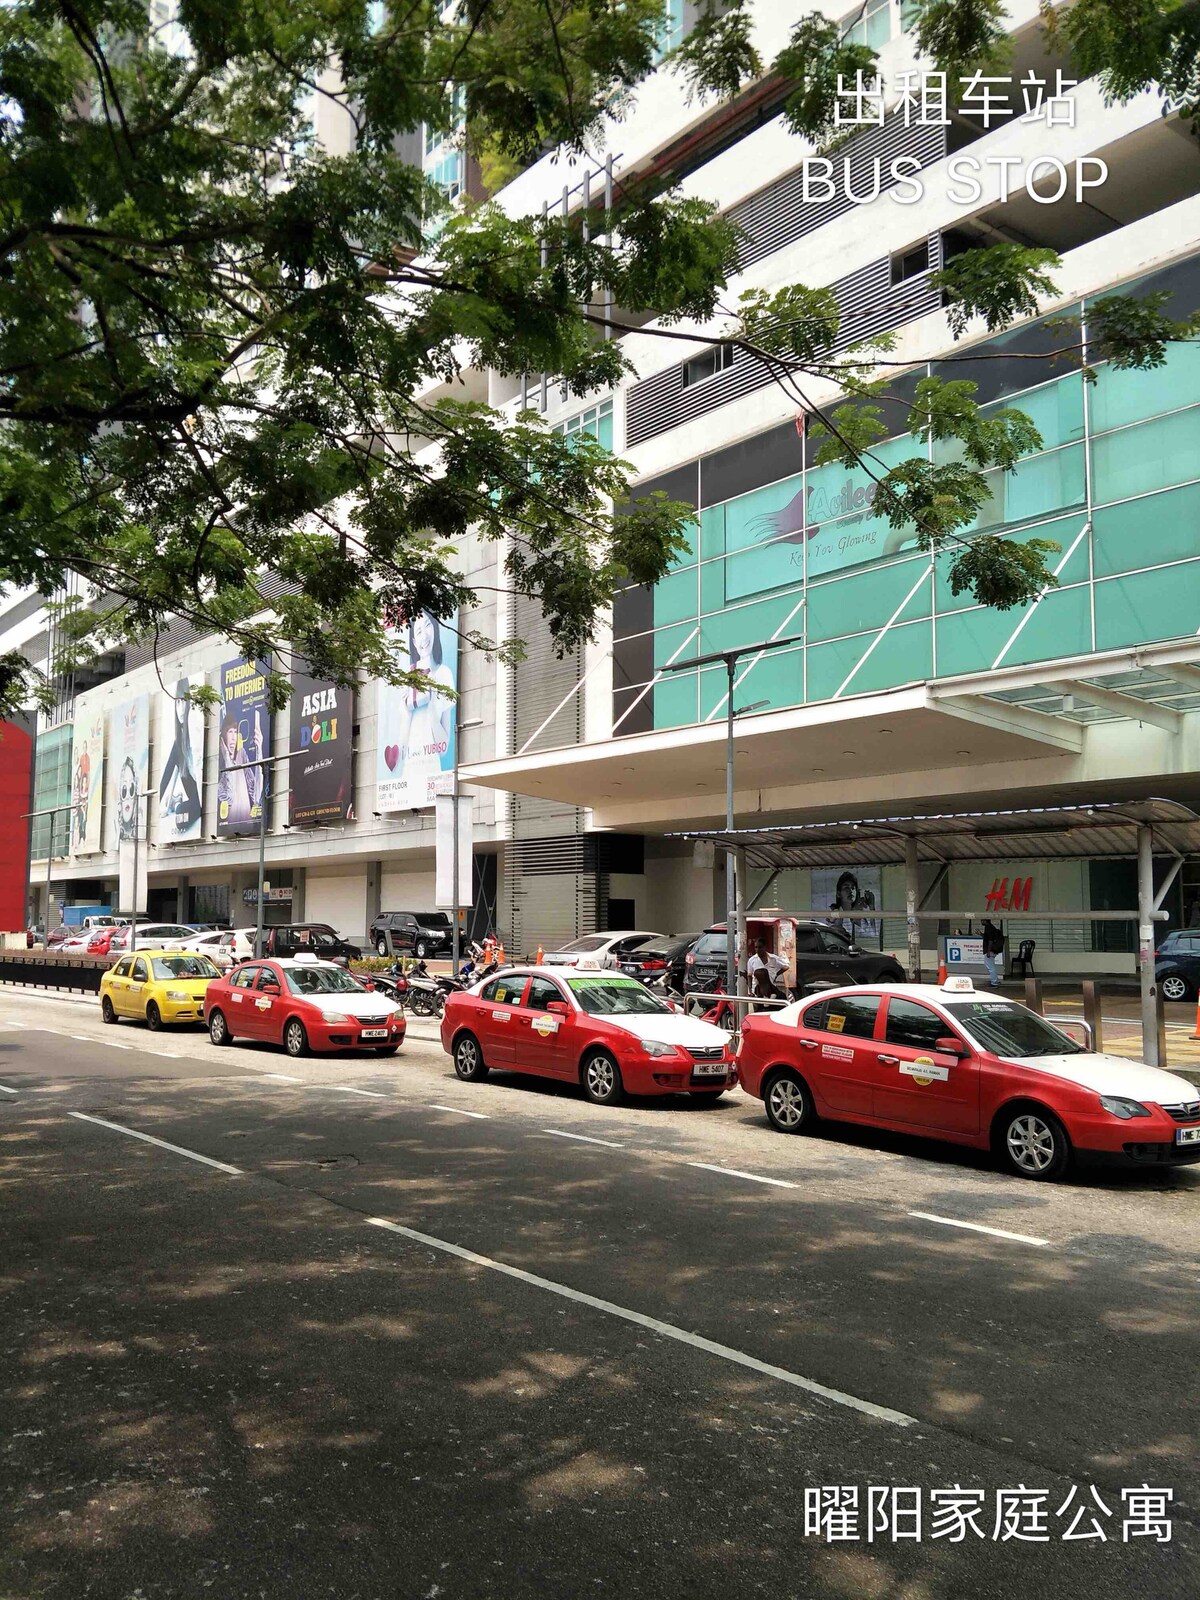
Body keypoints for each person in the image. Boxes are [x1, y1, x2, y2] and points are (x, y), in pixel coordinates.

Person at [159, 678, 201, 835]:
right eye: (177, 702)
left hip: (200, 798)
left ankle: (176, 802)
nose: (181, 708)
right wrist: (162, 805)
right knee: (178, 811)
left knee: (180, 811)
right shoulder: (179, 742)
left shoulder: (195, 734)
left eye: (184, 701)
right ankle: (171, 801)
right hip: (191, 798)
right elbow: (170, 774)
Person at [217, 706, 263, 829]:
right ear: (224, 735)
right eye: (229, 731)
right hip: (229, 826)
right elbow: (229, 797)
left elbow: (256, 793)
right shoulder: (220, 761)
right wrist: (227, 757)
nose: (233, 737)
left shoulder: (241, 754)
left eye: (235, 732)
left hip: (248, 823)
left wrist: (259, 750)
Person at [829, 870, 879, 942]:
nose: (851, 891)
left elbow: (872, 934)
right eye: (846, 888)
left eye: (853, 888)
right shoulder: (836, 917)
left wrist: (872, 907)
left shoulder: (861, 917)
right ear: (839, 894)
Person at [981, 918, 1005, 988]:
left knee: (990, 966)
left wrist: (988, 951)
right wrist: (981, 934)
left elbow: (990, 940)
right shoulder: (991, 927)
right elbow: (988, 938)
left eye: (982, 920)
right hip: (992, 950)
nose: (981, 921)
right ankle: (995, 980)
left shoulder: (988, 928)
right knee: (990, 965)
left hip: (990, 950)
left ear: (986, 921)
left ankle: (994, 982)